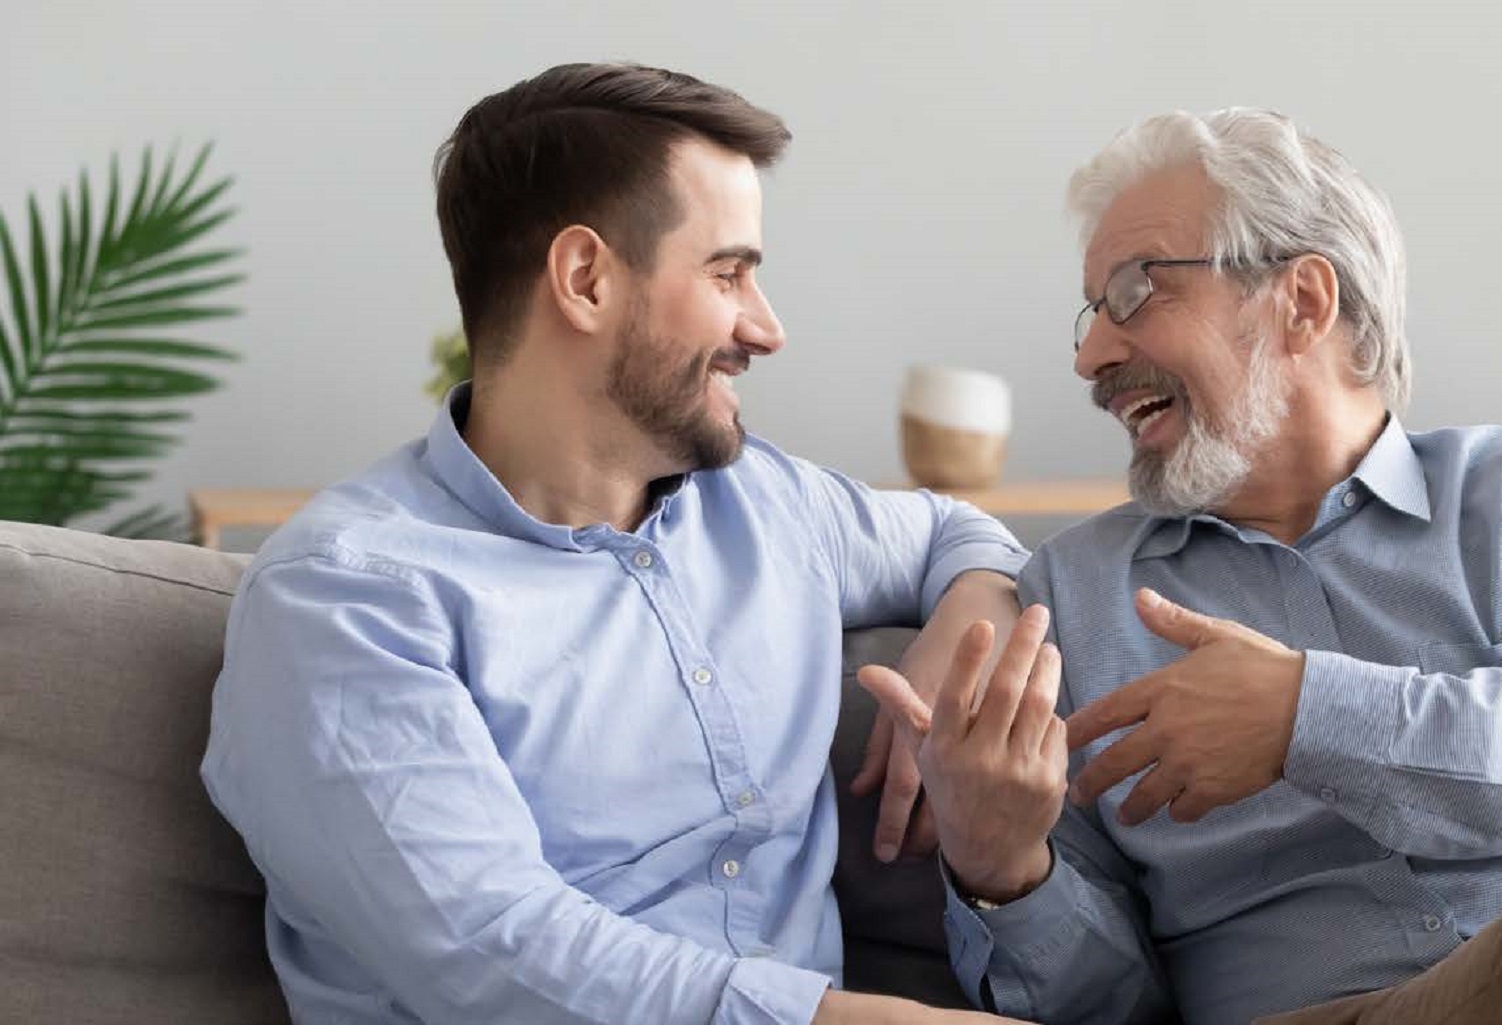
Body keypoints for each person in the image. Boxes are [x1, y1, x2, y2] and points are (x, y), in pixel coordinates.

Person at [861, 107, 1502, 1025]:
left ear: (1302, 300)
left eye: (1133, 292)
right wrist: (1007, 871)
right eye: (1090, 315)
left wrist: (1307, 717)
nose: (1089, 356)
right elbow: (1108, 1003)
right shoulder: (1069, 594)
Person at [200, 62, 1032, 1025]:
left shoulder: (764, 504)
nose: (767, 327)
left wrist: (962, 623)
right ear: (585, 279)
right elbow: (497, 952)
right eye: (729, 272)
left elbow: (957, 531)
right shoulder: (346, 597)